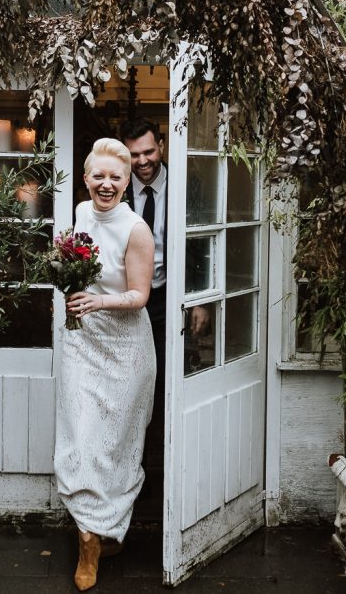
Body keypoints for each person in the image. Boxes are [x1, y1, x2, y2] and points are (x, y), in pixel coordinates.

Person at [54, 138, 157, 592]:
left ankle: (105, 526)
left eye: (116, 176)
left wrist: (98, 300)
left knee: (115, 444)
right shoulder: (79, 213)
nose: (107, 184)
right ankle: (87, 541)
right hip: (82, 341)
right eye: (99, 175)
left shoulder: (136, 230)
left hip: (126, 347)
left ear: (127, 179)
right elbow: (77, 264)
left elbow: (140, 297)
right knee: (82, 436)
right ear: (86, 179)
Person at [118, 119, 209, 486]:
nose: (142, 161)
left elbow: (202, 242)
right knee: (129, 382)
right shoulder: (116, 189)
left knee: (167, 380)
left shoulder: (188, 185)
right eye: (134, 154)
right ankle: (130, 469)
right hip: (127, 301)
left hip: (170, 298)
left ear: (162, 146)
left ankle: (169, 470)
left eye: (149, 152)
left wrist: (197, 298)